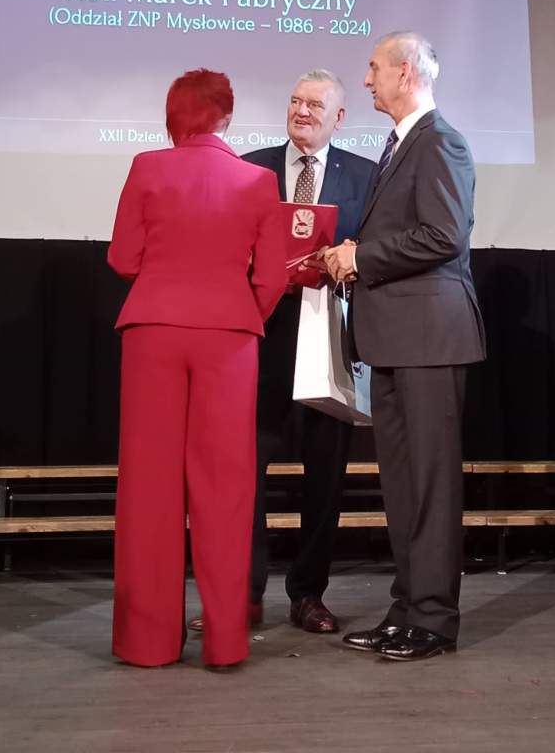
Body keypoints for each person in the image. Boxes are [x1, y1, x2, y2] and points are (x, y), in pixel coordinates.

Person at [108, 68, 286, 670]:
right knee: (226, 487)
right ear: (227, 117)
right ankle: (225, 641)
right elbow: (272, 277)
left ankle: (148, 643)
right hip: (228, 340)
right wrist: (235, 310)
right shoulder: (258, 180)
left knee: (149, 487)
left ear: (173, 116)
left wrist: (167, 283)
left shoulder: (146, 167)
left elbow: (122, 257)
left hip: (153, 332)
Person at [191, 69, 376, 636]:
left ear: (339, 117)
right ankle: (243, 593)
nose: (302, 111)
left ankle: (308, 594)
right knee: (245, 467)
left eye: (315, 104)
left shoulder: (366, 176)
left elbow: (378, 248)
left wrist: (352, 253)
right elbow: (218, 242)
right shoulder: (249, 167)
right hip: (259, 335)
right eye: (295, 100)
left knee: (326, 472)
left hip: (328, 337)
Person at [323, 33, 485, 661]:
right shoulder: (399, 145)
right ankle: (407, 610)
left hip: (429, 338)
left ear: (406, 72)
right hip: (395, 339)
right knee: (402, 485)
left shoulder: (441, 141)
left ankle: (435, 620)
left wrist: (362, 258)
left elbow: (443, 235)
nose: (366, 80)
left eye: (373, 68)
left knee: (431, 485)